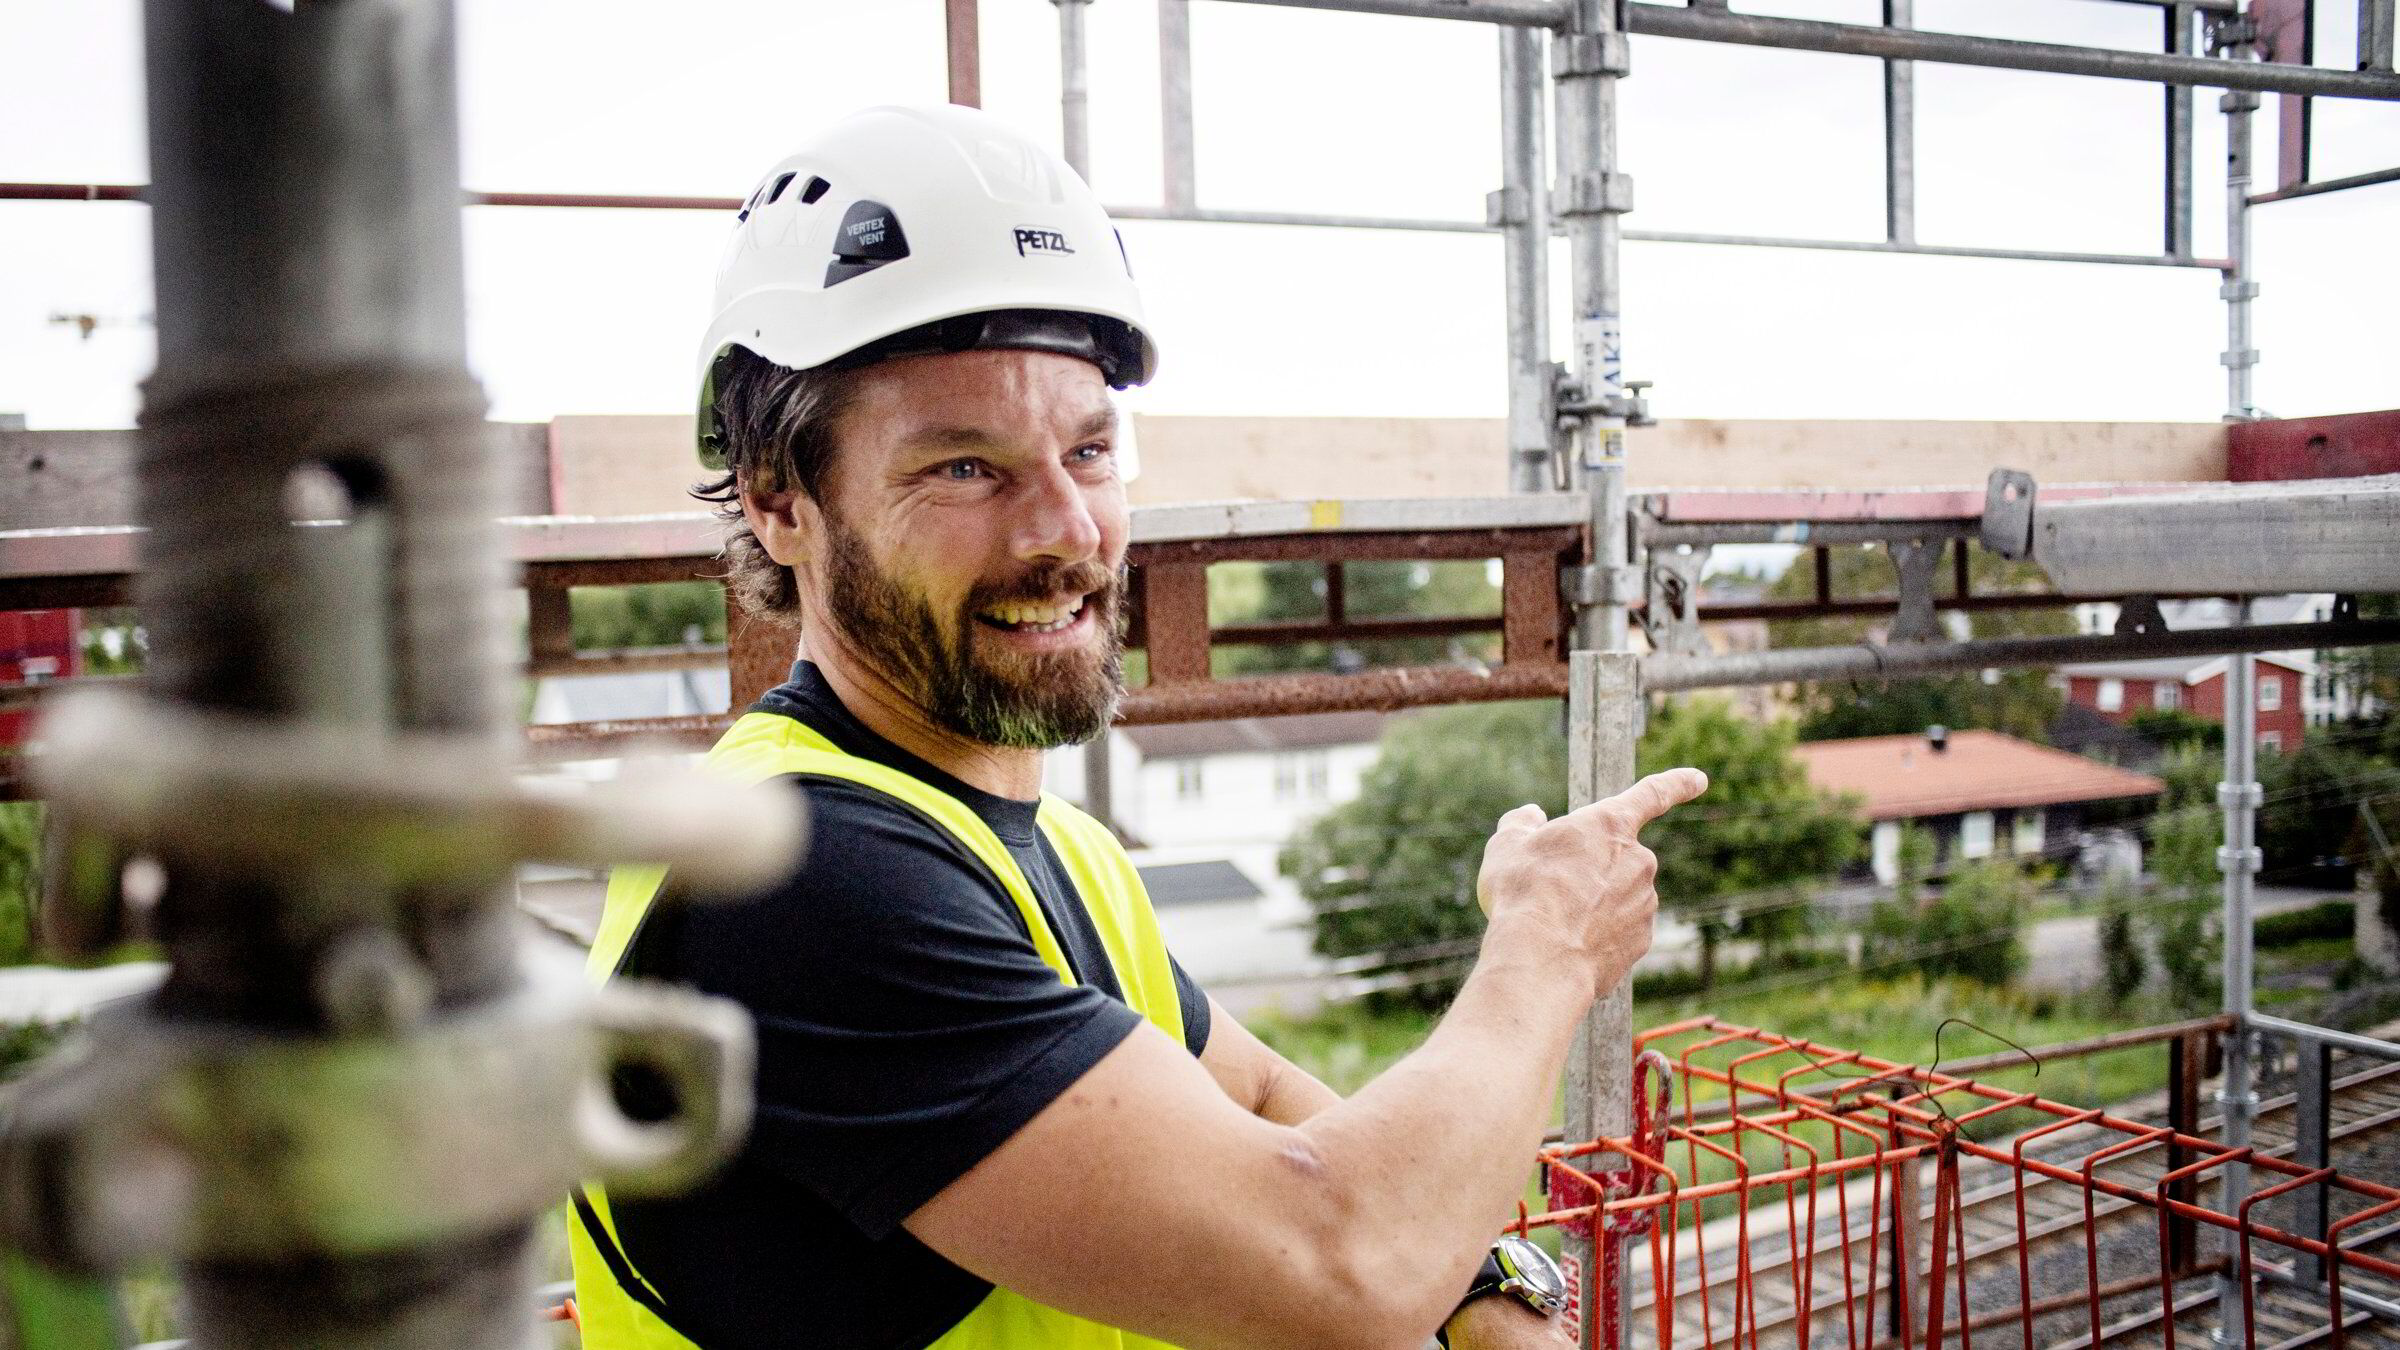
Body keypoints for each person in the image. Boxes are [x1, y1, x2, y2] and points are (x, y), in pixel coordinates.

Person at [567, 103, 1707, 1350]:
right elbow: (1339, 1260)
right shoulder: (794, 876)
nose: (1067, 530)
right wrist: (1547, 946)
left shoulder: (1049, 848)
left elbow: (1259, 1096)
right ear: (780, 502)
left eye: (1091, 450)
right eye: (964, 468)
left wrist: (1487, 1290)